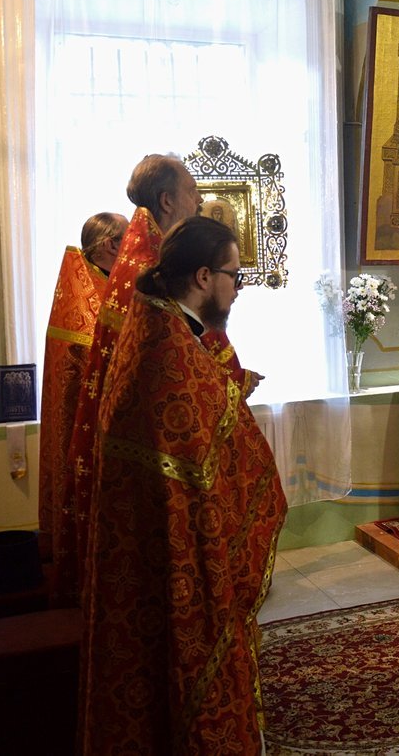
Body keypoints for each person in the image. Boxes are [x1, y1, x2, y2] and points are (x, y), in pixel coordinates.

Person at [81, 216, 286, 755]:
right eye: (235, 275)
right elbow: (207, 449)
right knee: (179, 656)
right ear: (203, 276)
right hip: (176, 549)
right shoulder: (168, 350)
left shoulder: (156, 323)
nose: (239, 288)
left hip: (147, 538)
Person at [68, 155, 256, 601]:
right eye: (192, 191)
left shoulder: (145, 252)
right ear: (168, 200)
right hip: (159, 428)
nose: (199, 200)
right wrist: (232, 380)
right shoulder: (151, 262)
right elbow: (182, 347)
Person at [38, 212, 128, 605]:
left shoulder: (102, 286)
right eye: (129, 240)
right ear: (110, 245)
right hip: (91, 438)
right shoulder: (85, 302)